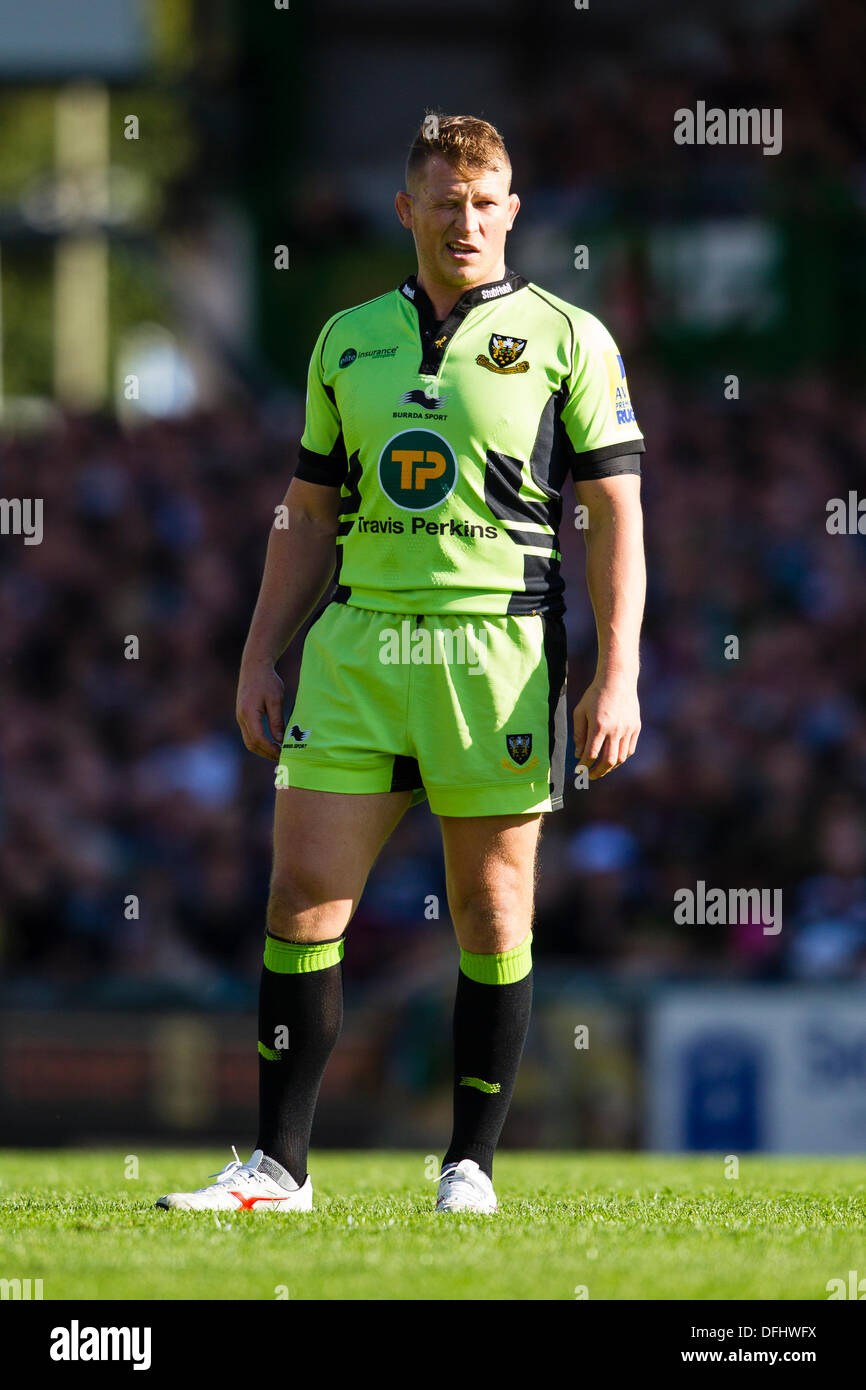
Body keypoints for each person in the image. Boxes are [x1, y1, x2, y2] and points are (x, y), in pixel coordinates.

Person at [156, 112, 645, 1216]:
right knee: (299, 898)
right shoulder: (346, 338)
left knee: (490, 909)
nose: (465, 221)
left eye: (484, 204)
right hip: (358, 646)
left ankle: (466, 1167)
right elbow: (308, 510)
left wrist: (615, 675)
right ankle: (277, 1169)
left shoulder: (571, 338)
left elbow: (615, 517)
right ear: (407, 210)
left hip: (499, 647)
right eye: (444, 201)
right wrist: (256, 656)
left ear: (511, 211)